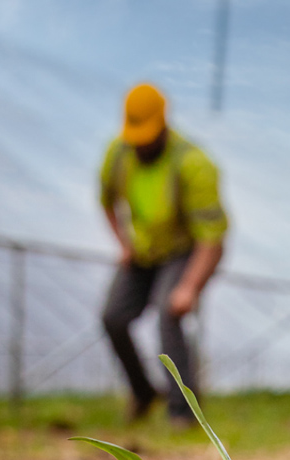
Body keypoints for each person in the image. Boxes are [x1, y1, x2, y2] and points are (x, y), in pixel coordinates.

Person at [99, 83, 228, 425]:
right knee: (112, 317)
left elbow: (213, 239)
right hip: (143, 250)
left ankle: (183, 412)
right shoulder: (119, 154)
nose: (141, 144)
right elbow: (107, 202)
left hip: (184, 251)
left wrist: (189, 287)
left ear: (163, 124)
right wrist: (124, 244)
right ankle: (143, 394)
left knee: (168, 313)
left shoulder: (193, 164)